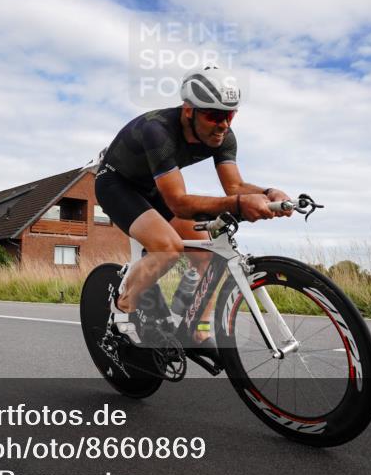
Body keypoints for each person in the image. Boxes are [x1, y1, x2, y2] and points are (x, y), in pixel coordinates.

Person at [95, 65, 292, 347]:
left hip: (154, 186)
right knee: (168, 248)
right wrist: (239, 204)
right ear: (189, 111)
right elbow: (178, 203)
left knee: (208, 256)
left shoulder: (222, 135)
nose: (223, 124)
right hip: (117, 184)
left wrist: (269, 192)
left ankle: (194, 327)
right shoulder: (158, 131)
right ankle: (122, 309)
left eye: (230, 115)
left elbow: (235, 187)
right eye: (214, 115)